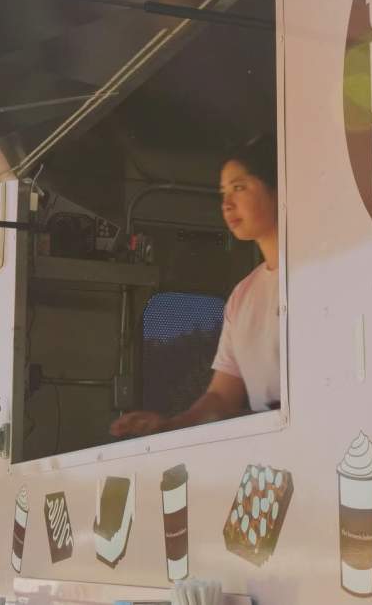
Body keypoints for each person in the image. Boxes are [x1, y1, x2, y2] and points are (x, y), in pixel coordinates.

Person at [109, 138, 280, 437]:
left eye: (239, 187)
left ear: (279, 189)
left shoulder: (317, 274)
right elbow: (221, 398)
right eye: (223, 193)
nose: (227, 204)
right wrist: (170, 425)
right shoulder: (243, 295)